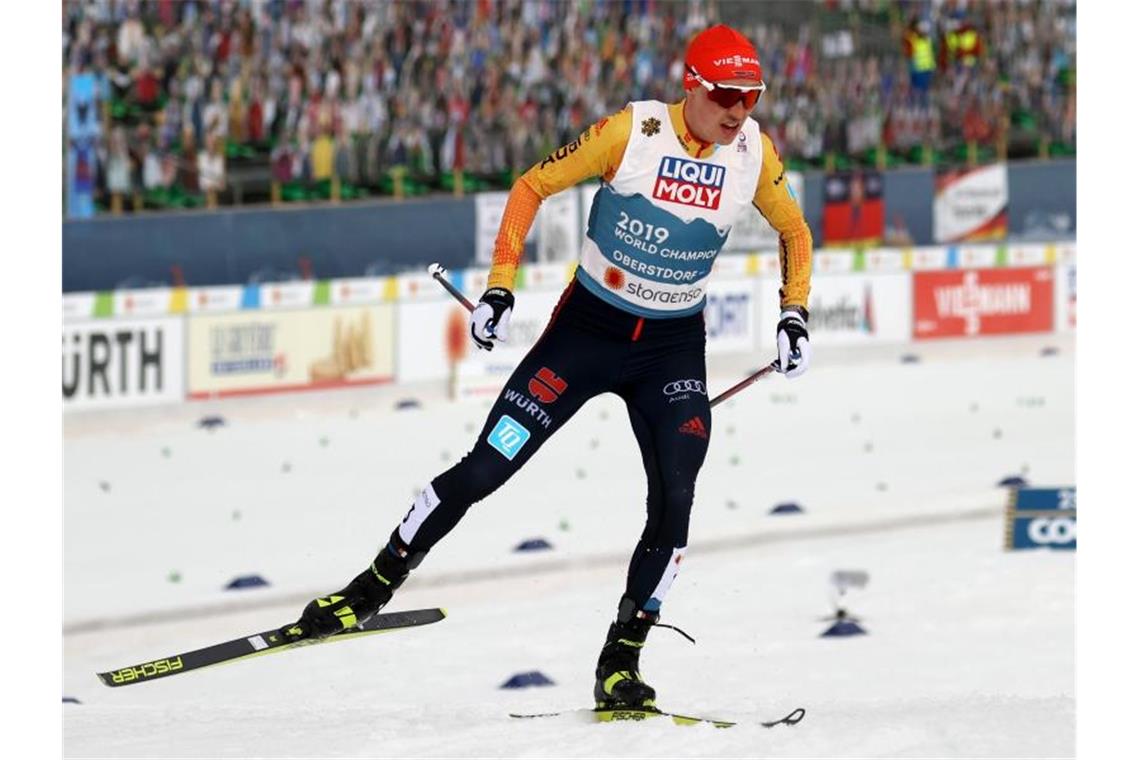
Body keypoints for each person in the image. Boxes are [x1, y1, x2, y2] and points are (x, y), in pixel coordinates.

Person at [285, 24, 814, 710]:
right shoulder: (632, 132)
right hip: (586, 336)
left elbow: (794, 231)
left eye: (752, 97)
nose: (740, 111)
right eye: (726, 95)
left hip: (671, 351)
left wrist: (793, 312)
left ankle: (621, 660)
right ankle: (371, 587)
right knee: (486, 466)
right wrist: (500, 286)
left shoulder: (753, 152)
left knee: (677, 497)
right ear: (691, 85)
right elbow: (533, 185)